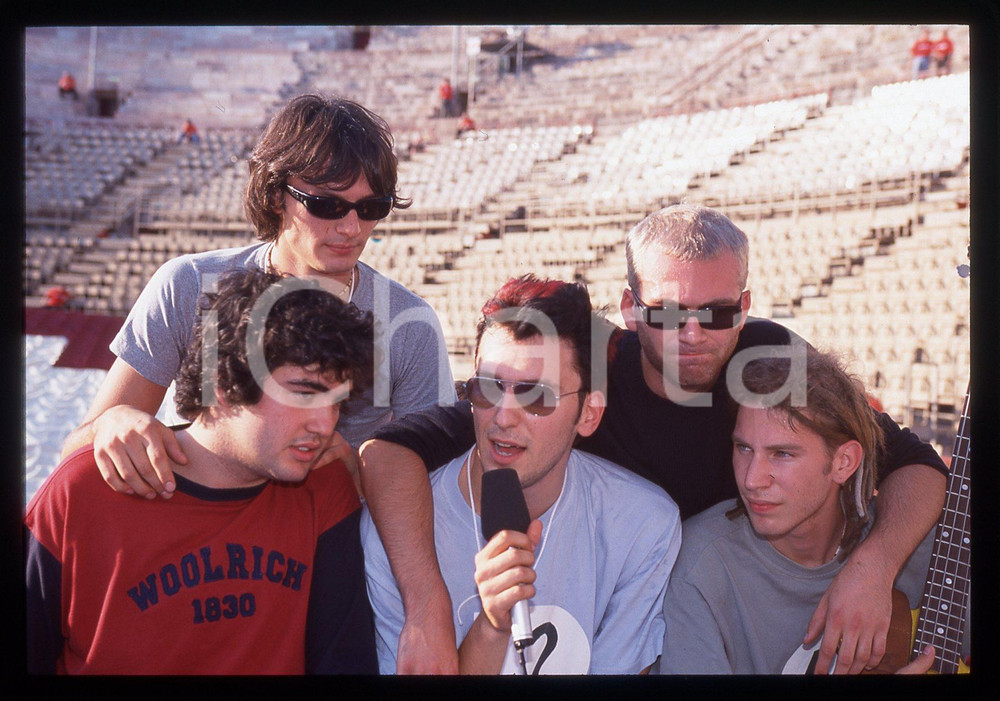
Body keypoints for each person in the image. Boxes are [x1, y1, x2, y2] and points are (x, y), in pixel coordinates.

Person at [361, 203, 948, 675]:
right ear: (630, 308)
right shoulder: (583, 367)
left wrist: (873, 568)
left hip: (714, 596)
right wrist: (428, 605)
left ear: (745, 308)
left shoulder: (769, 359)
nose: (692, 333)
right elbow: (391, 452)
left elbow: (912, 463)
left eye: (717, 313)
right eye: (667, 313)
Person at [59, 94, 457, 673]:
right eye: (327, 205)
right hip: (196, 570)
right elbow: (77, 454)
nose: (352, 228)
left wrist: (426, 608)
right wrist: (112, 425)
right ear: (275, 194)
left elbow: (436, 496)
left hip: (334, 584)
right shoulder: (187, 287)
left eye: (371, 207)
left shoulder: (411, 326)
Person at [27, 269, 379, 674]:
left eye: (337, 403)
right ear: (224, 384)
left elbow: (343, 661)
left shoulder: (324, 487)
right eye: (303, 394)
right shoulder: (87, 488)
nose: (326, 425)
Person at [362, 275, 681, 674]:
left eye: (536, 396)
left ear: (588, 414)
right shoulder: (397, 526)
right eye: (488, 388)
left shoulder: (642, 525)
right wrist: (490, 628)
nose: (503, 417)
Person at [656, 348, 936, 675]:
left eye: (782, 454)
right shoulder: (701, 564)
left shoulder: (916, 541)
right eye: (743, 448)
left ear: (843, 462)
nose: (752, 479)